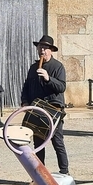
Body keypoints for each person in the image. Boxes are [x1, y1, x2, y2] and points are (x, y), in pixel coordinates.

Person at [21, 35, 69, 175]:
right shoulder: (33, 67)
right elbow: (27, 86)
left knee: (57, 142)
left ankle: (64, 172)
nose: (42, 50)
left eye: (45, 48)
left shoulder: (58, 67)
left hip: (53, 109)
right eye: (40, 47)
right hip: (37, 110)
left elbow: (61, 87)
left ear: (51, 50)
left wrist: (48, 78)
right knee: (38, 145)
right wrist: (25, 101)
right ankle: (39, 175)